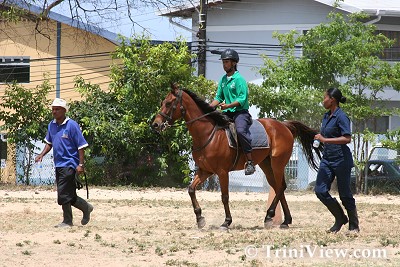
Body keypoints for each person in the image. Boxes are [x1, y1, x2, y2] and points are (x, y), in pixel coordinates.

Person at [35, 98, 93, 228]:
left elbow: (81, 146)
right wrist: (41, 154)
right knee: (69, 195)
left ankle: (67, 221)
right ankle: (86, 207)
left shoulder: (72, 125)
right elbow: (49, 143)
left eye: (57, 109)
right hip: (58, 164)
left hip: (70, 164)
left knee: (62, 193)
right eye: (53, 109)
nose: (54, 112)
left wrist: (81, 165)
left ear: (64, 111)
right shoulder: (51, 125)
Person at [314, 88, 359, 233]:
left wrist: (325, 139)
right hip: (327, 159)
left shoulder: (341, 117)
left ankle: (354, 225)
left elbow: (347, 138)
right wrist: (320, 138)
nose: (323, 100)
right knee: (320, 190)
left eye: (324, 98)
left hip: (341, 159)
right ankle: (340, 218)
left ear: (332, 99)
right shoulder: (326, 116)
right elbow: (327, 135)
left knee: (344, 194)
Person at [210, 48, 255, 175]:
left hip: (240, 113)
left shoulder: (239, 79)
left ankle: (250, 162)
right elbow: (218, 98)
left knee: (240, 131)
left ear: (234, 63)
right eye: (223, 62)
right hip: (227, 113)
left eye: (227, 62)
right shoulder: (223, 80)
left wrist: (228, 105)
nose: (224, 65)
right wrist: (208, 108)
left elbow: (242, 99)